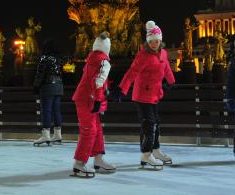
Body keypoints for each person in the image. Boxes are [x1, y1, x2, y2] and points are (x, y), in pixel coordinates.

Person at [116, 21, 175, 169]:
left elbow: (166, 67)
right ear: (147, 42)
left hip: (155, 95)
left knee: (156, 124)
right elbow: (132, 72)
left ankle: (155, 150)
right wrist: (122, 88)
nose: (154, 44)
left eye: (157, 41)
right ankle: (146, 154)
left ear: (160, 41)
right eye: (151, 41)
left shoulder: (163, 53)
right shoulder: (143, 56)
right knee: (149, 125)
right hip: (142, 96)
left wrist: (171, 81)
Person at [71, 32, 116, 178]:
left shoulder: (92, 59)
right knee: (89, 130)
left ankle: (98, 160)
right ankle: (79, 164)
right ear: (107, 48)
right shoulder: (104, 61)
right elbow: (98, 81)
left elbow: (96, 80)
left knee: (96, 130)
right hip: (88, 100)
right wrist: (98, 100)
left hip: (85, 98)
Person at [33, 38, 64, 146]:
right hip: (59, 86)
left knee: (46, 110)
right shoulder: (59, 59)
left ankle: (46, 135)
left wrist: (36, 86)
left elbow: (40, 73)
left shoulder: (44, 58)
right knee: (56, 110)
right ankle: (57, 134)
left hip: (47, 86)